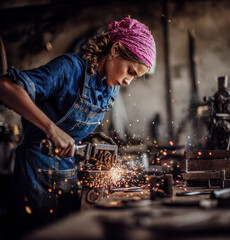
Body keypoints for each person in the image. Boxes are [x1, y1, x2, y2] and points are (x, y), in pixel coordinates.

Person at [0, 17, 156, 237]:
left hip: (67, 174)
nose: (128, 81)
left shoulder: (109, 86)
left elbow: (72, 128)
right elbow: (6, 87)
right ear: (116, 49)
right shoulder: (70, 69)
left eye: (135, 77)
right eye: (130, 71)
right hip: (36, 174)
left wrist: (89, 140)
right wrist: (51, 130)